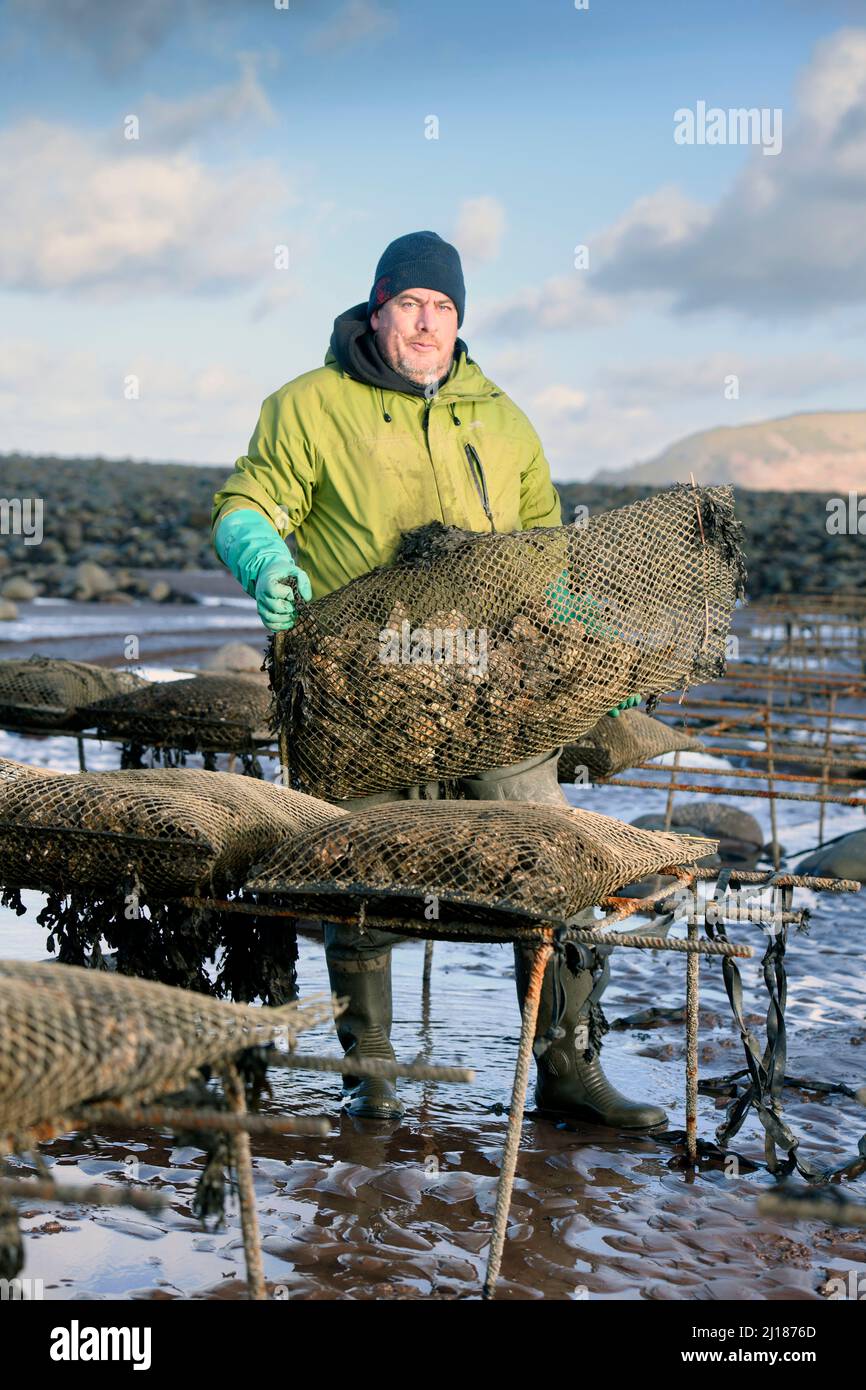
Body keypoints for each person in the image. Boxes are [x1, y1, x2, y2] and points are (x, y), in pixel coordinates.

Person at [211, 230, 664, 1129]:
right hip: (361, 687)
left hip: (492, 686)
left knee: (551, 855)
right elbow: (245, 502)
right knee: (359, 862)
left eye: (443, 308)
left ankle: (568, 1066)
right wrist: (262, 558)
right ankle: (368, 1073)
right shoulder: (308, 406)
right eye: (409, 304)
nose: (425, 323)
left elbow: (548, 556)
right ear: (376, 310)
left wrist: (595, 648)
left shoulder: (501, 418)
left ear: (460, 320)